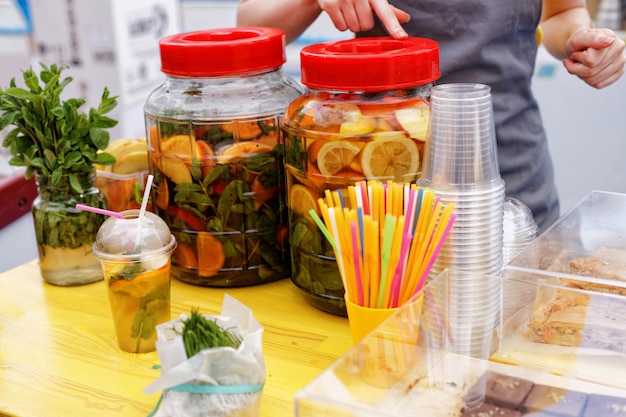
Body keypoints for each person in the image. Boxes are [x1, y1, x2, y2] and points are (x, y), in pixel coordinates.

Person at [237, 0, 626, 231]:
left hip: (512, 177)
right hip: (386, 188)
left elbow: (563, 11)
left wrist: (579, 40)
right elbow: (249, 22)